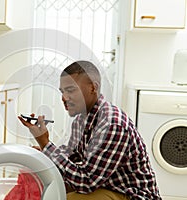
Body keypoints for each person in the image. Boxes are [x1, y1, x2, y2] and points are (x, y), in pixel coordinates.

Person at [18, 60, 161, 200]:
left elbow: (86, 182)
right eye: (62, 91)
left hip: (132, 195)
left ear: (93, 87)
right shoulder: (81, 120)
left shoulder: (111, 125)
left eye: (71, 90)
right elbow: (71, 158)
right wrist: (44, 152)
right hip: (108, 188)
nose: (64, 98)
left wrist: (46, 144)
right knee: (50, 189)